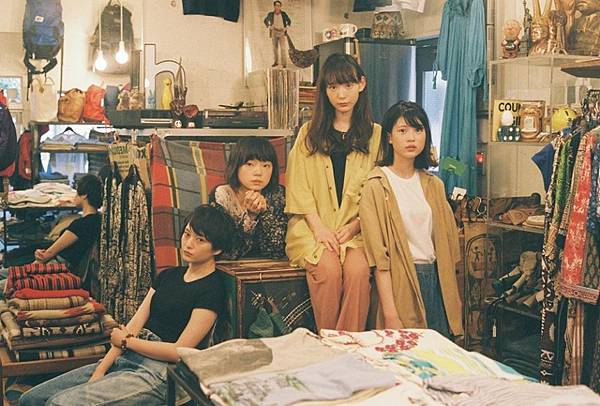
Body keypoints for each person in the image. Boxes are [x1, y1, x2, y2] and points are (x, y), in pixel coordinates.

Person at [19, 205, 236, 406]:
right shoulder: (169, 275)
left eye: (200, 240)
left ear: (217, 249)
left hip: (161, 372)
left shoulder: (212, 289)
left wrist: (127, 341)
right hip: (128, 357)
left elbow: (178, 351)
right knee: (30, 399)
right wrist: (101, 369)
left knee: (60, 403)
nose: (188, 244)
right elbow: (133, 325)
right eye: (187, 234)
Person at [285, 53, 381, 332]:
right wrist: (319, 229)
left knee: (358, 271)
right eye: (333, 87)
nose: (341, 95)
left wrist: (354, 226)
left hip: (357, 231)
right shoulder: (309, 133)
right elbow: (298, 185)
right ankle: (329, 341)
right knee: (327, 270)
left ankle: (348, 343)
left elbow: (378, 193)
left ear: (361, 84)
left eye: (348, 85)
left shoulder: (375, 135)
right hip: (312, 227)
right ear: (324, 91)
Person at [359, 101, 463, 338]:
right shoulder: (376, 185)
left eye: (418, 130)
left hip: (437, 281)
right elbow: (379, 260)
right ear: (389, 137)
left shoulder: (434, 184)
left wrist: (454, 300)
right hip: (400, 282)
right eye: (402, 130)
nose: (411, 138)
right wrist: (390, 313)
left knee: (440, 355)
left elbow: (449, 250)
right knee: (405, 355)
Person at [209, 136, 287, 259]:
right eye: (250, 164)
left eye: (266, 166)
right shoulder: (222, 195)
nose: (258, 172)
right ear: (236, 166)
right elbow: (228, 253)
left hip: (269, 266)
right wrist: (250, 217)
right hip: (229, 266)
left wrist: (265, 213)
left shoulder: (278, 194)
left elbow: (276, 251)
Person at [34, 174, 103, 269]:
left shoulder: (82, 224)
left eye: (77, 193)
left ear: (84, 195)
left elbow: (47, 255)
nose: (75, 196)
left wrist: (40, 254)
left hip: (57, 267)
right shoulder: (97, 219)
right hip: (62, 265)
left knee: (16, 262)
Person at [264, 1, 291, 68]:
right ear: (274, 6)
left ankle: (284, 64)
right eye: (276, 5)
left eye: (279, 5)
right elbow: (265, 21)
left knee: (283, 48)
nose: (277, 7)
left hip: (282, 32)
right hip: (274, 32)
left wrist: (286, 28)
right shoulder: (271, 14)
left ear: (280, 7)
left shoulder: (283, 14)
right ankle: (276, 62)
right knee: (275, 48)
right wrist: (269, 26)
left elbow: (289, 21)